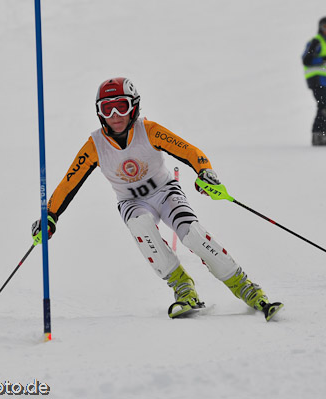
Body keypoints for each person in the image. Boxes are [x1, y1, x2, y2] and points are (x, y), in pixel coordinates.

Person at [31, 77, 283, 320]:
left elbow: (190, 151)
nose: (115, 115)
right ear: (99, 113)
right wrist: (50, 215)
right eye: (107, 109)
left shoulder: (149, 130)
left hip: (165, 192)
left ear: (135, 107)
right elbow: (69, 182)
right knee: (139, 225)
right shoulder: (95, 145)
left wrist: (205, 172)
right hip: (131, 202)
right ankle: (183, 288)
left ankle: (245, 287)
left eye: (122, 106)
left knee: (192, 234)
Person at [302, 16, 326, 146]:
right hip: (317, 79)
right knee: (323, 104)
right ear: (320, 28)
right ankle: (317, 135)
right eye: (325, 27)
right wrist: (322, 59)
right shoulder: (316, 42)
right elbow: (306, 60)